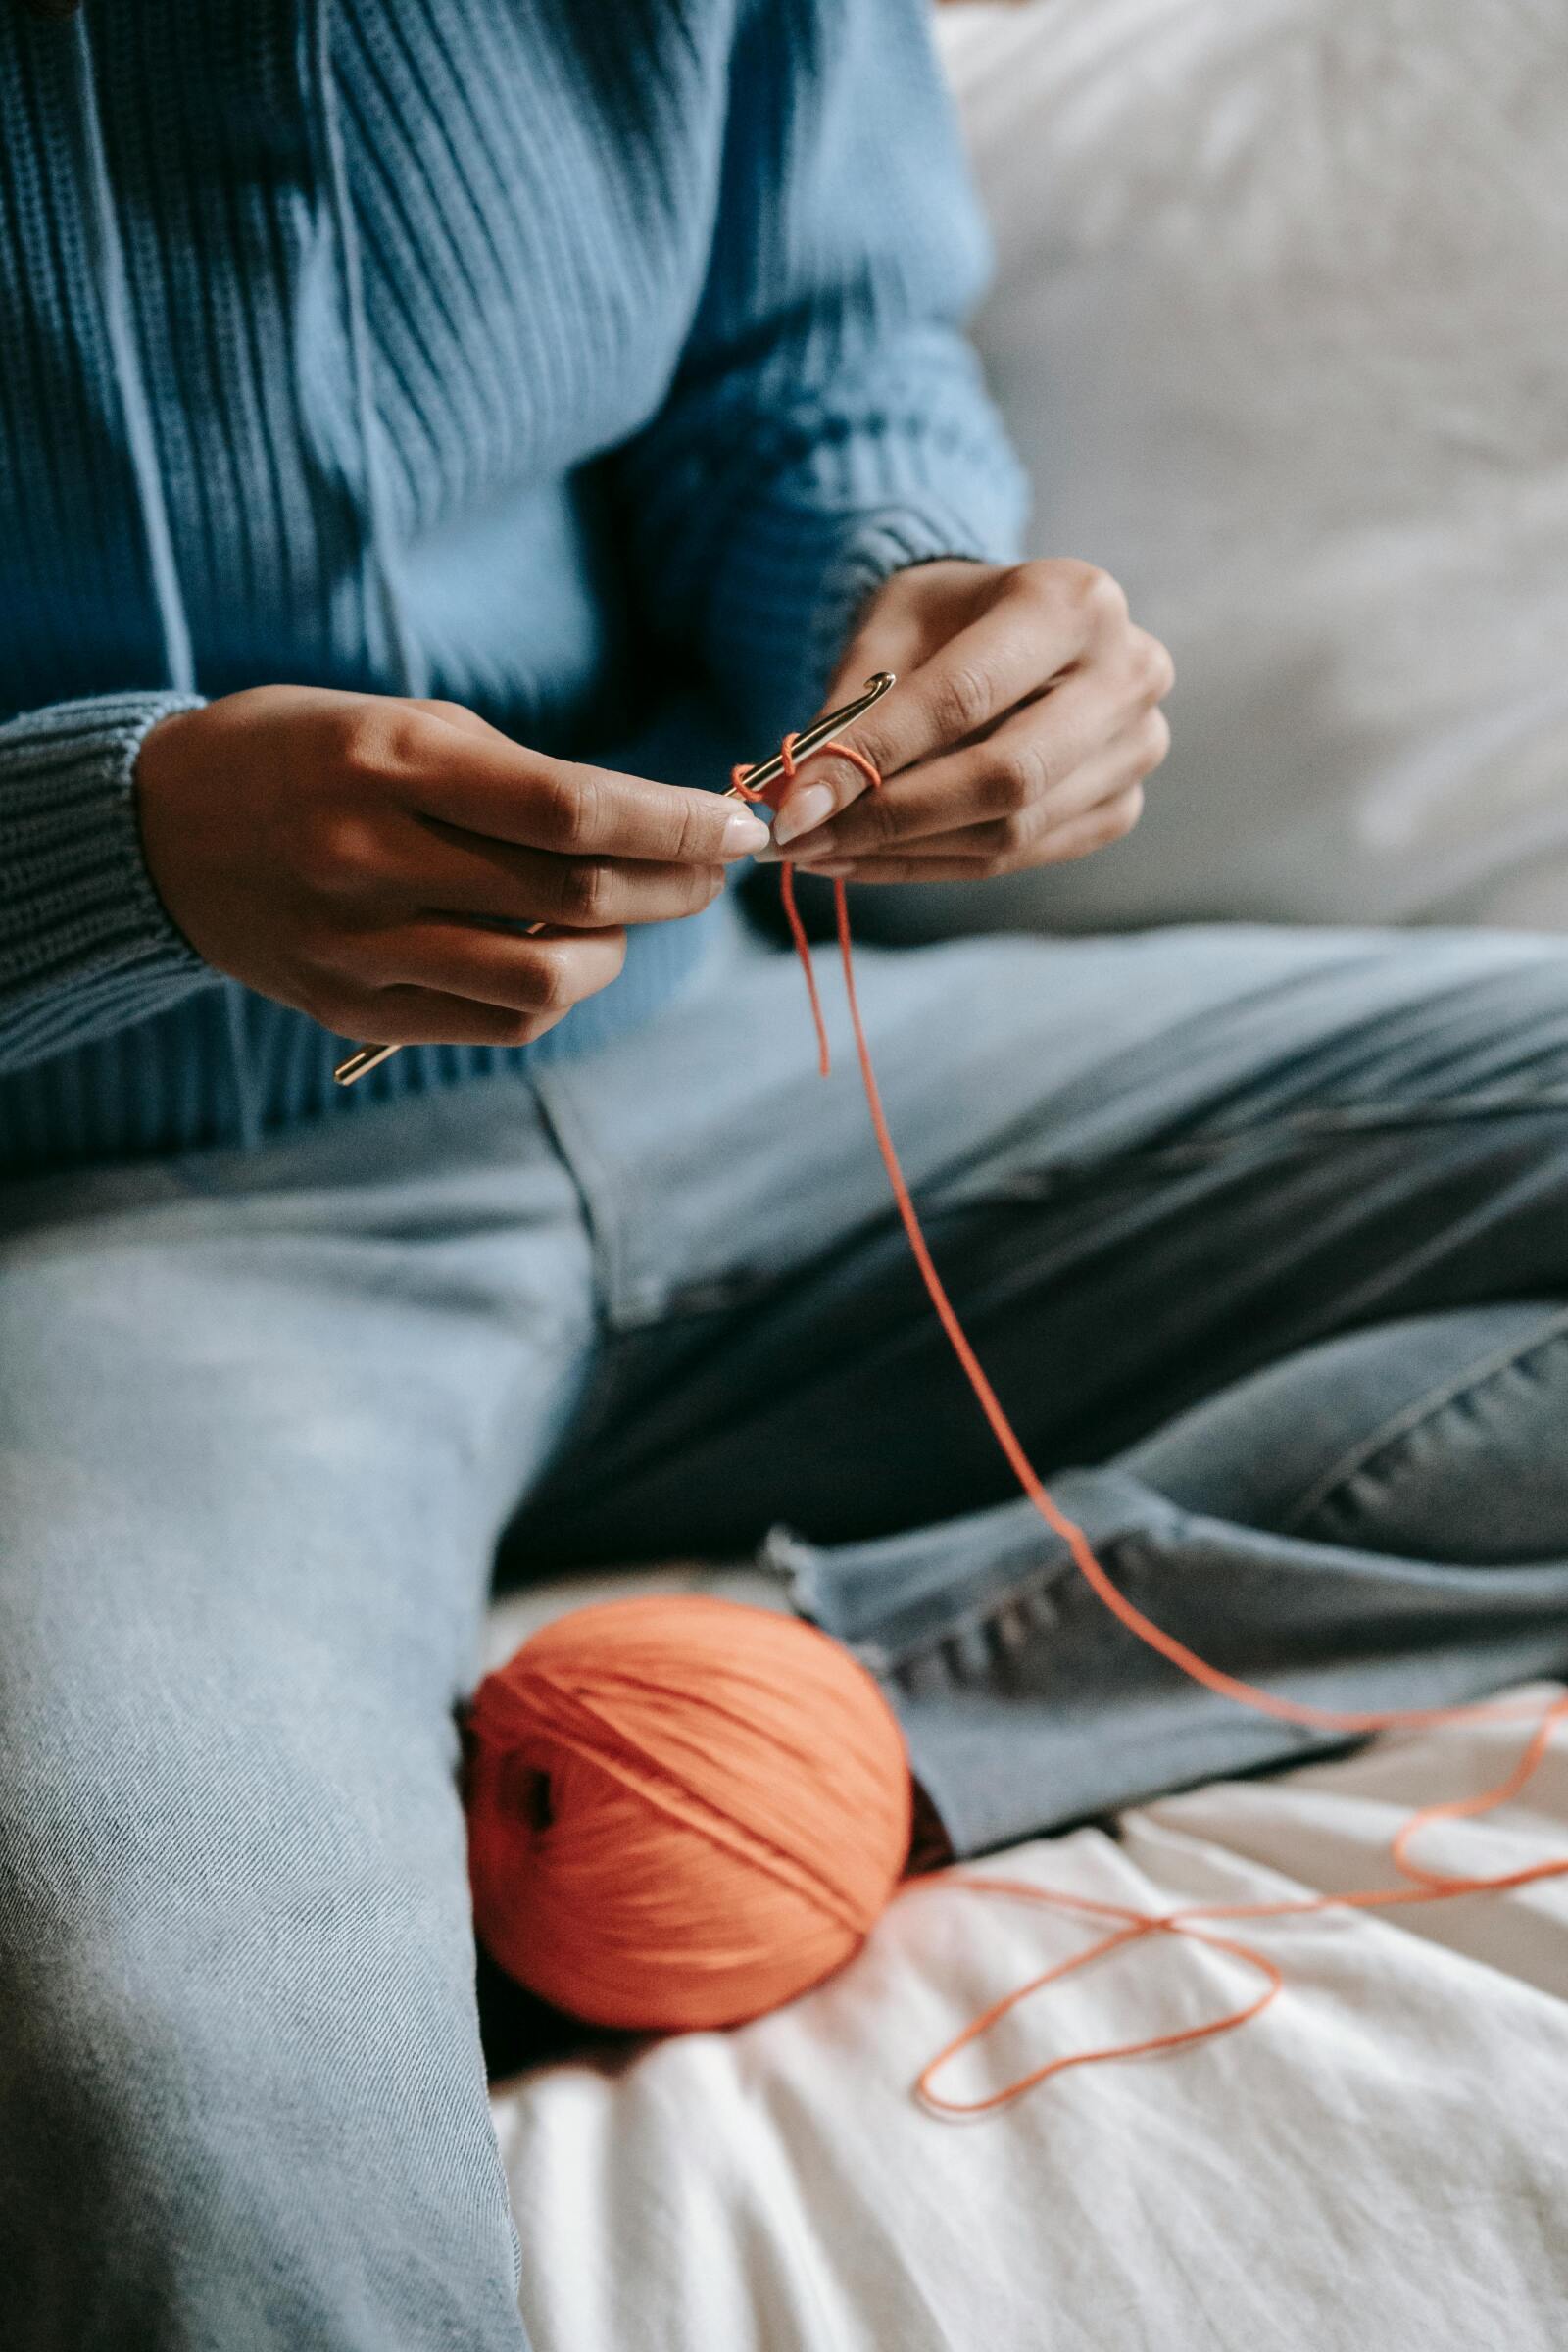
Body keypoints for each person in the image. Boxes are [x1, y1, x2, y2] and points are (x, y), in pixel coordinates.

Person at [3, 3, 1566, 2346]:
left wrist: (903, 603)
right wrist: (113, 852)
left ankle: (802, 1720)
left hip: (734, 1057)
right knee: (165, 2083)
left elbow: (799, 365)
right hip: (106, 1243)